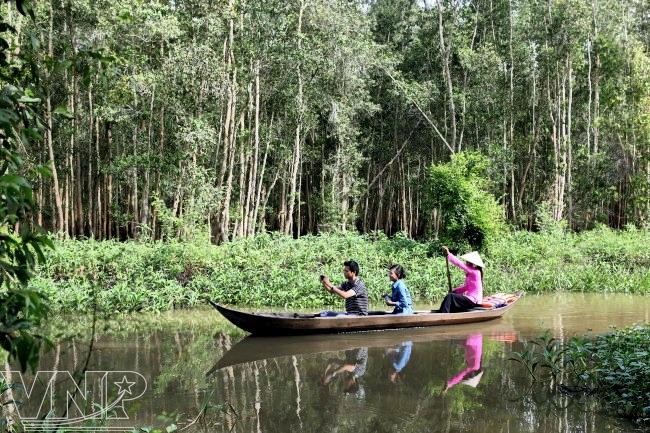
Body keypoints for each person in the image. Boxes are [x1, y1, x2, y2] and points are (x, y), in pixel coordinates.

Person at [437, 246, 484, 313]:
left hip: (474, 300)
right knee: (451, 295)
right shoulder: (472, 272)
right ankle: (441, 312)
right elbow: (466, 287)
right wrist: (455, 291)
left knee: (450, 296)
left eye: (468, 261)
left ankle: (443, 315)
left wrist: (448, 254)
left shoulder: (475, 272)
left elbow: (460, 264)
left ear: (473, 263)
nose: (466, 262)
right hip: (470, 299)